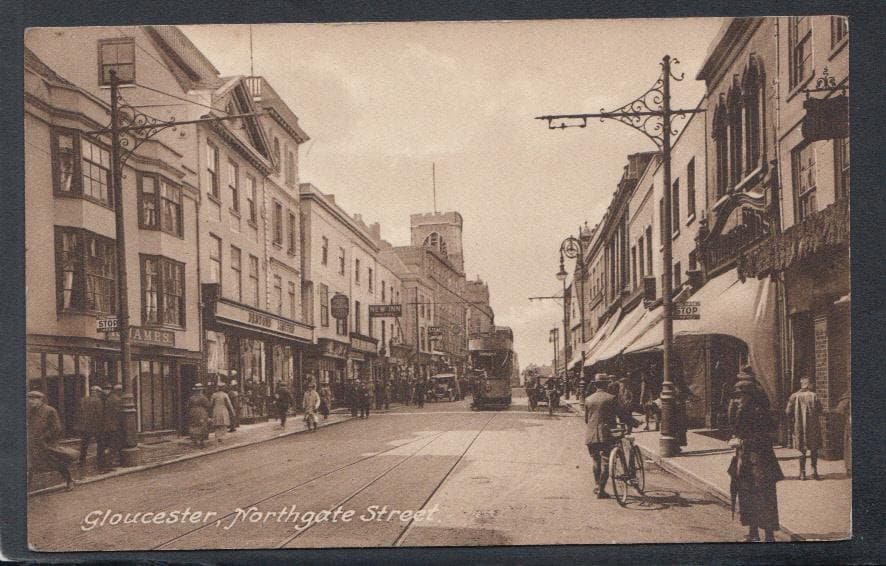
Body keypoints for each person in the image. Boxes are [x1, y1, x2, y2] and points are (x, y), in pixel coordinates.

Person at [727, 373, 784, 543]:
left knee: (762, 496)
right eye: (736, 397)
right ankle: (754, 533)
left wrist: (742, 441)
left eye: (739, 396)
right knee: (749, 496)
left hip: (758, 460)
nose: (737, 400)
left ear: (749, 396)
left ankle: (767, 535)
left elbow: (764, 435)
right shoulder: (744, 410)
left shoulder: (756, 412)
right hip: (749, 459)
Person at [584, 374, 640, 499]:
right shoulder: (611, 398)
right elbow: (622, 415)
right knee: (605, 461)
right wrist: (635, 423)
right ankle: (601, 491)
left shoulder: (588, 399)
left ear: (595, 384)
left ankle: (597, 486)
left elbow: (587, 419)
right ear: (606, 384)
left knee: (595, 460)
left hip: (591, 435)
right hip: (606, 435)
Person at [28, 391, 76, 491]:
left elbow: (57, 428)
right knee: (30, 464)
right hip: (33, 443)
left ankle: (69, 481)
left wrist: (45, 437)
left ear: (40, 400)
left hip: (46, 443)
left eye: (33, 399)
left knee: (57, 463)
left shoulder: (50, 410)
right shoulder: (31, 411)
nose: (30, 401)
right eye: (29, 399)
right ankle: (27, 486)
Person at [785, 377, 823, 480]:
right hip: (813, 426)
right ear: (809, 384)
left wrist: (794, 418)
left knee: (801, 448)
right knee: (814, 448)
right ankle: (814, 470)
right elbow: (820, 410)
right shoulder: (814, 395)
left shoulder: (794, 396)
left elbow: (788, 411)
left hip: (799, 426)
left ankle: (802, 473)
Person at [75, 385, 106, 472]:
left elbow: (78, 413)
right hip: (95, 426)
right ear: (98, 392)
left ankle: (81, 461)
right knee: (101, 445)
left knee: (84, 445)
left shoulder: (83, 399)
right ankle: (100, 464)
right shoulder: (98, 401)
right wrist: (102, 426)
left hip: (84, 427)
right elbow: (99, 415)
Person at [101, 384, 123, 470]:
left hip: (107, 426)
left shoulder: (109, 399)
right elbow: (118, 414)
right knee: (113, 445)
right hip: (113, 426)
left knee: (108, 445)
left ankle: (107, 463)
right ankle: (109, 464)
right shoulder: (116, 399)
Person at [835, 391, 851, 477]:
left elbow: (839, 410)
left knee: (849, 445)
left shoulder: (848, 395)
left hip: (850, 424)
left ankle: (850, 468)